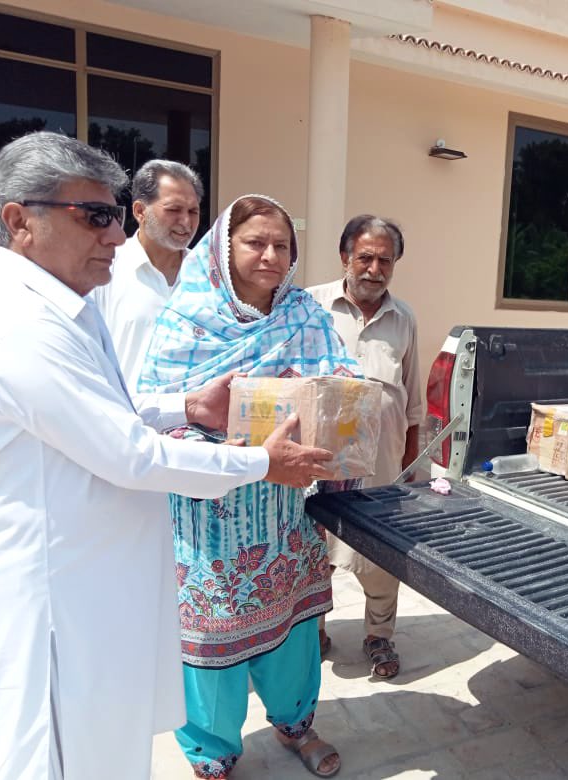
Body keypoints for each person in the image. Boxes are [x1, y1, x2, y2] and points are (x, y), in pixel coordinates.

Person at [0, 132, 336, 780]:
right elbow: (130, 455)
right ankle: (213, 754)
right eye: (96, 216)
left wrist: (188, 408)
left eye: (114, 214)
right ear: (19, 220)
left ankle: (290, 721)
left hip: (131, 574)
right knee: (53, 757)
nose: (114, 234)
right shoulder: (17, 326)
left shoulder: (64, 312)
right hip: (53, 603)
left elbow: (111, 413)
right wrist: (257, 463)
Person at [139, 195, 358, 778]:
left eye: (281, 245)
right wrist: (235, 450)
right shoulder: (185, 320)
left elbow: (342, 380)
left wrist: (328, 390)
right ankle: (212, 754)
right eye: (255, 242)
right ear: (223, 249)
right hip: (210, 518)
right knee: (211, 649)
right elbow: (153, 419)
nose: (270, 255)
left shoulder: (306, 315)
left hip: (282, 515)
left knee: (291, 635)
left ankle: (295, 726)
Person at [308, 214, 423, 679]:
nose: (375, 269)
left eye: (385, 260)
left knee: (380, 554)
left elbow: (413, 398)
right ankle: (312, 630)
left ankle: (379, 636)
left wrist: (413, 464)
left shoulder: (404, 318)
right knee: (314, 552)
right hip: (321, 462)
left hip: (381, 462)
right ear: (345, 258)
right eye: (365, 258)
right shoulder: (310, 305)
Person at [92, 159, 203, 392]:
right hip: (125, 420)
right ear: (140, 211)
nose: (186, 222)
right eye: (174, 210)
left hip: (196, 423)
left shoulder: (208, 274)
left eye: (193, 211)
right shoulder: (105, 269)